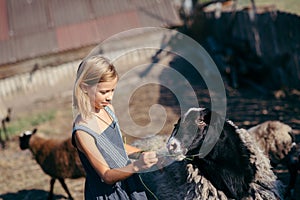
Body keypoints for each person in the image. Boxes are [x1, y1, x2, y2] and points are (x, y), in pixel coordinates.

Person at [72, 55, 158, 199]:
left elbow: (116, 147)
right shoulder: (83, 131)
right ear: (84, 87)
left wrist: (146, 153)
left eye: (112, 90)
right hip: (109, 194)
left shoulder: (108, 109)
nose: (109, 97)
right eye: (104, 92)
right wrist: (137, 166)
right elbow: (106, 175)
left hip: (128, 180)